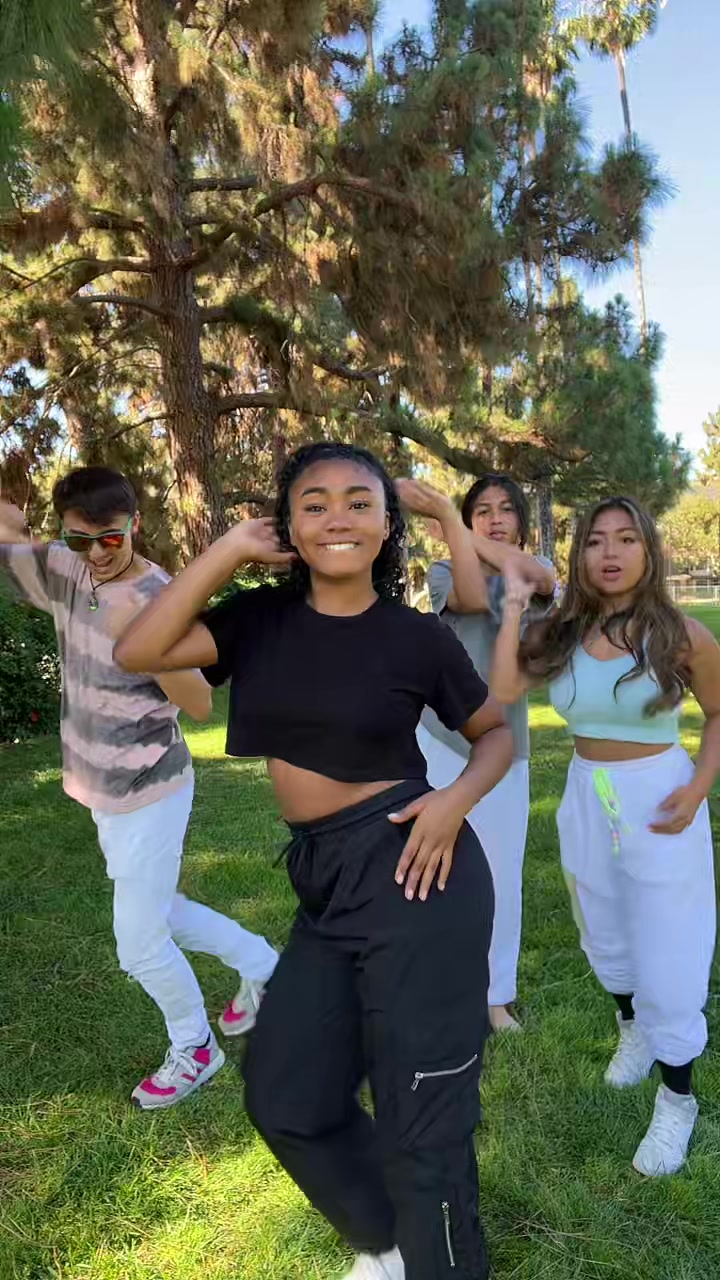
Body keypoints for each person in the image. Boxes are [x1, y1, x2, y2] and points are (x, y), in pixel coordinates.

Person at [114, 441, 513, 1280]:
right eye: (315, 502)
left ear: (386, 526)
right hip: (324, 879)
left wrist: (455, 801)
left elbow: (494, 735)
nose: (339, 517)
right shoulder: (259, 618)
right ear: (288, 526)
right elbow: (139, 651)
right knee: (285, 1095)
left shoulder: (414, 636)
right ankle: (391, 1246)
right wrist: (228, 550)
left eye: (360, 502)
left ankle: (445, 1265)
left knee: (422, 1122)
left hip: (414, 867)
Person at [0, 467, 278, 1110]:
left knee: (139, 945)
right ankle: (269, 970)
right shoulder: (66, 569)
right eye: (80, 540)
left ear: (134, 526)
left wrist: (144, 642)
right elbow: (10, 546)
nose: (97, 553)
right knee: (162, 912)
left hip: (150, 788)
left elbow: (201, 705)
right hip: (103, 791)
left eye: (111, 538)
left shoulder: (159, 597)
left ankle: (195, 1048)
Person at [491, 495, 719, 1176]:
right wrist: (512, 611)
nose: (610, 553)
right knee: (603, 925)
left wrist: (698, 789)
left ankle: (677, 1100)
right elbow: (504, 687)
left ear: (649, 550)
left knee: (670, 943)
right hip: (586, 792)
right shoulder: (564, 632)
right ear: (579, 554)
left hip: (659, 793)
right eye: (595, 541)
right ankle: (633, 1031)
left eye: (625, 539)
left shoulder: (678, 634)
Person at [397, 474, 555, 1033]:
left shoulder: (536, 572)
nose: (494, 518)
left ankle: (495, 997)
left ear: (522, 522)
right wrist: (453, 527)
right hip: (440, 740)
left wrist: (448, 519)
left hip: (506, 747)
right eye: (480, 510)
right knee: (430, 864)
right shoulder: (445, 572)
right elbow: (469, 596)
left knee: (501, 874)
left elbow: (540, 576)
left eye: (505, 509)